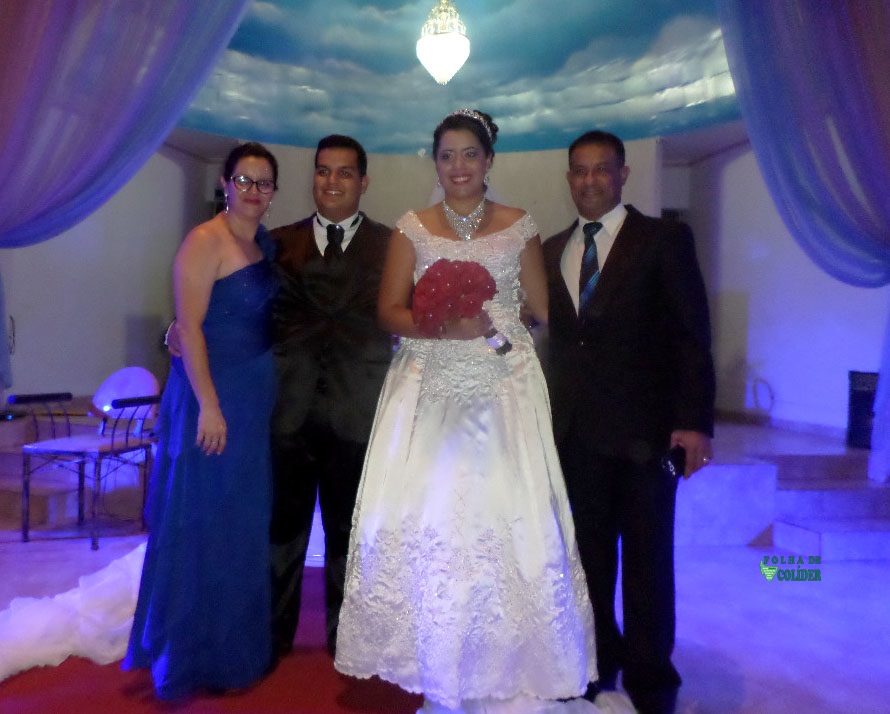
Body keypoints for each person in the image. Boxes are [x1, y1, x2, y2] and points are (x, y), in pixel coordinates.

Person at [334, 109, 599, 714]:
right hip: (428, 383)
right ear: (435, 163)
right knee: (436, 519)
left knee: (504, 516)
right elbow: (389, 311)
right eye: (447, 155)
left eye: (470, 154)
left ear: (489, 160)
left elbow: (542, 310)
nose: (459, 166)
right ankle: (438, 657)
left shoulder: (520, 226)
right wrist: (442, 325)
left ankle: (511, 661)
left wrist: (501, 325)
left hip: (503, 387)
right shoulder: (412, 228)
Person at [541, 130, 715, 714]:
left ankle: (651, 676)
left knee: (647, 562)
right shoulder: (553, 249)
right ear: (569, 178)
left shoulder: (663, 239)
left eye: (601, 169)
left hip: (647, 434)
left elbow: (692, 335)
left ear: (622, 174)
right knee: (586, 562)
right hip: (576, 437)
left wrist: (694, 422)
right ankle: (593, 662)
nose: (590, 180)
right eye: (580, 170)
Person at [123, 142, 280, 699]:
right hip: (212, 396)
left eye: (264, 183)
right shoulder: (204, 240)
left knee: (240, 521)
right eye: (244, 180)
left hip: (252, 398)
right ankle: (190, 654)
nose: (253, 191)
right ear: (225, 184)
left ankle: (232, 650)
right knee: (201, 519)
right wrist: (210, 405)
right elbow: (188, 328)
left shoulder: (262, 244)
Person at [268, 135, 392, 660]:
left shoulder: (393, 245)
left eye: (344, 172)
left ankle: (349, 642)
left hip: (357, 410)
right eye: (323, 171)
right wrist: (180, 330)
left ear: (363, 182)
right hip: (288, 411)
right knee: (281, 533)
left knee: (351, 535)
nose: (332, 181)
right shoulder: (276, 242)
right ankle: (272, 638)